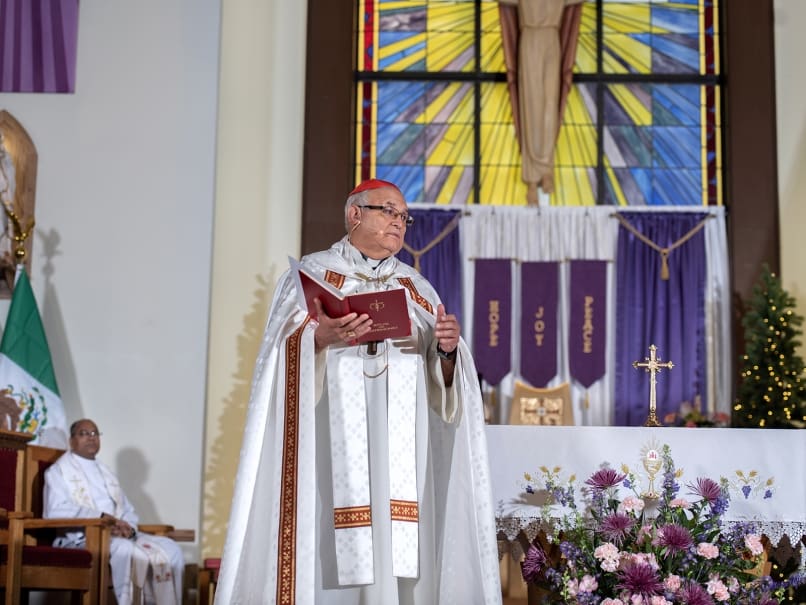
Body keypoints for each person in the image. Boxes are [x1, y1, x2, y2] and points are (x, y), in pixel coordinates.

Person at [216, 179, 502, 604]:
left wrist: (447, 349)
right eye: (388, 211)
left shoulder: (416, 288)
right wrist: (318, 338)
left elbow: (446, 387)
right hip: (330, 455)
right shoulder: (312, 274)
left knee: (398, 557)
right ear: (355, 214)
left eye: (404, 217)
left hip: (403, 459)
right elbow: (276, 357)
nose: (399, 223)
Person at [43, 418, 185, 605]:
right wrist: (101, 519)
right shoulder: (58, 472)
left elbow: (127, 510)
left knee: (171, 548)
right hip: (82, 538)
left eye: (95, 433)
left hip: (116, 536)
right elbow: (54, 511)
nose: (91, 438)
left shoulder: (106, 473)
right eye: (84, 433)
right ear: (71, 441)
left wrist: (128, 528)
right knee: (125, 549)